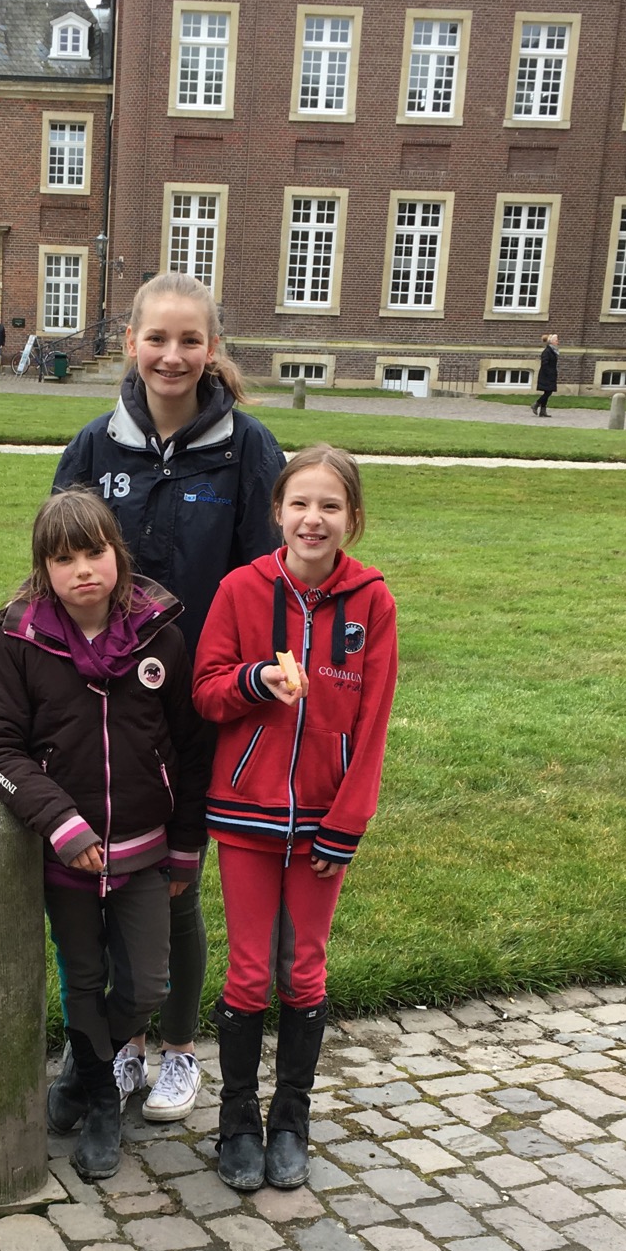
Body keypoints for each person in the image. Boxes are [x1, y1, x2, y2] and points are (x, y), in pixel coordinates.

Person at [50, 269, 284, 1124]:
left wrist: (248, 680)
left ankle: (180, 1047)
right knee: (113, 876)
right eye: (158, 338)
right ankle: (125, 1044)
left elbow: (267, 579)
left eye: (191, 340)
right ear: (131, 345)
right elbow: (60, 561)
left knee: (177, 876)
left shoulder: (249, 450)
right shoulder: (93, 447)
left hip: (199, 706)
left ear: (213, 349)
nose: (173, 355)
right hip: (104, 702)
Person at [0, 489, 207, 1178]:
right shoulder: (19, 639)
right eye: (64, 558)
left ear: (118, 553)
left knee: (146, 986)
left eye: (95, 552)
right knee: (83, 973)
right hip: (67, 852)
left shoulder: (160, 632)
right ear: (43, 569)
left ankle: (80, 1074)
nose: (83, 571)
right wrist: (60, 822)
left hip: (145, 848)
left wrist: (187, 841)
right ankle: (102, 1097)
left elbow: (192, 746)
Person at [193, 445, 398, 1193]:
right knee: (249, 971)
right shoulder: (241, 589)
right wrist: (257, 680)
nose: (314, 519)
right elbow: (208, 691)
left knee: (303, 968)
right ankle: (238, 1119)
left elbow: (372, 723)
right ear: (277, 512)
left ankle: (292, 1117)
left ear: (353, 519)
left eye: (331, 506)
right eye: (300, 504)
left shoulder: (373, 602)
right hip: (245, 815)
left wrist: (346, 824)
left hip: (321, 826)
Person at [533, 333, 560, 418]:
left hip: (550, 374)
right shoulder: (547, 351)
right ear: (551, 342)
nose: (557, 342)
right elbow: (544, 364)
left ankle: (542, 411)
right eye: (556, 340)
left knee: (547, 392)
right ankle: (536, 404)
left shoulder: (553, 351)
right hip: (546, 375)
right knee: (548, 392)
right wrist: (550, 373)